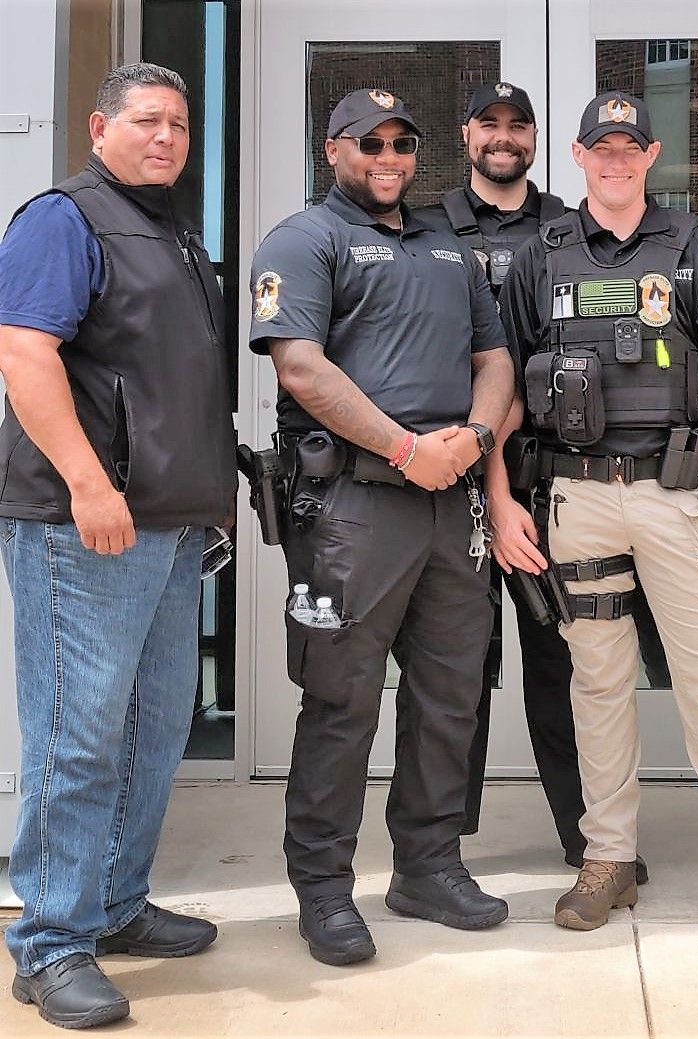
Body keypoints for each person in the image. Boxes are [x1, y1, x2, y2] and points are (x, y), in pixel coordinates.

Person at [492, 91, 698, 938]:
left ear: (651, 155)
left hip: (678, 499)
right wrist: (498, 495)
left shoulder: (692, 247)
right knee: (598, 682)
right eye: (601, 147)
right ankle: (608, 858)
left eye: (629, 147)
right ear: (577, 155)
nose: (615, 160)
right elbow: (502, 389)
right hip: (576, 502)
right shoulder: (540, 258)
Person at [248, 88, 515, 968]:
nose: (389, 157)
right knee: (341, 699)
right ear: (334, 149)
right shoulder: (304, 240)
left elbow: (495, 359)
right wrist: (406, 448)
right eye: (371, 143)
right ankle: (324, 887)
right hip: (353, 509)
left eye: (403, 143)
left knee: (449, 694)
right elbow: (300, 367)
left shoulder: (447, 245)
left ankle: (428, 866)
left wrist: (475, 438)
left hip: (450, 502)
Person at [0, 63, 236, 1029]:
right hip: (85, 527)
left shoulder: (172, 231)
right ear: (100, 128)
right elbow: (24, 353)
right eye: (146, 120)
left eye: (178, 123)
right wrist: (89, 483)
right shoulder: (64, 220)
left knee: (154, 728)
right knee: (80, 735)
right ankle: (50, 943)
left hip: (170, 526)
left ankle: (112, 901)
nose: (166, 136)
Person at [417, 81, 664, 877]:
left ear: (535, 139)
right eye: (488, 123)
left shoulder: (567, 229)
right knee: (452, 665)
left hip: (541, 473)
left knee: (561, 660)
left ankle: (589, 837)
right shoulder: (424, 229)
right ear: (466, 134)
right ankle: (439, 850)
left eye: (517, 124)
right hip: (441, 472)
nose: (502, 136)